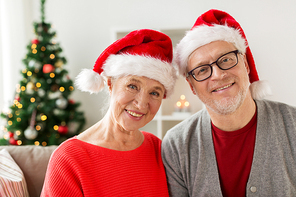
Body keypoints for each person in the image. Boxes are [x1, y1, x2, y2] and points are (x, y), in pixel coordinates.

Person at [161, 9, 296, 197]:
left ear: (246, 65)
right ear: (192, 87)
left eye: (226, 60)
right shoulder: (177, 145)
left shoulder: (293, 126)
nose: (218, 75)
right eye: (201, 70)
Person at [41, 29, 177, 196]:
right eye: (132, 86)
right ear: (110, 84)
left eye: (154, 93)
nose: (141, 104)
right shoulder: (69, 158)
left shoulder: (160, 150)